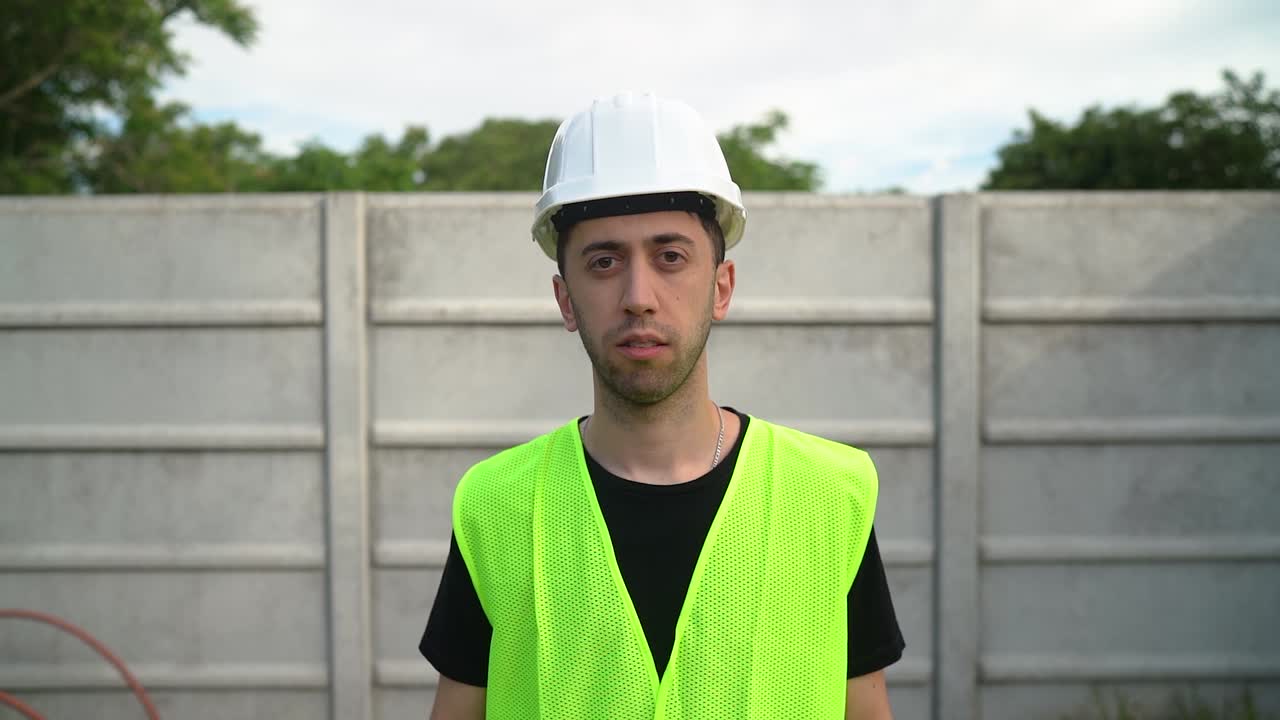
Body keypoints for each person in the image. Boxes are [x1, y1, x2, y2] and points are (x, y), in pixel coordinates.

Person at [420, 92, 904, 719]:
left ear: (720, 287)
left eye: (670, 257)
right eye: (604, 261)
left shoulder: (830, 493)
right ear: (566, 300)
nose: (638, 296)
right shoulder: (496, 505)